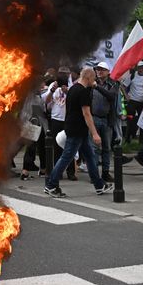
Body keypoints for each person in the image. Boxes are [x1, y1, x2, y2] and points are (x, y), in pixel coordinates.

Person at [44, 67, 113, 198]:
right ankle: (51, 185)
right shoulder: (83, 92)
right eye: (93, 78)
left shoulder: (73, 89)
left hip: (74, 127)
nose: (94, 81)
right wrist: (95, 133)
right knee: (66, 157)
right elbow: (86, 114)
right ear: (89, 77)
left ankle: (99, 185)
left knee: (90, 156)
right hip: (77, 130)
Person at [91, 63, 121, 182]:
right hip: (94, 118)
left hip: (107, 119)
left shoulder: (113, 84)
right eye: (98, 69)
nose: (100, 72)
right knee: (94, 148)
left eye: (102, 70)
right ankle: (94, 174)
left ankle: (105, 172)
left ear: (108, 72)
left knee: (106, 148)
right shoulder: (92, 83)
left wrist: (97, 87)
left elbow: (111, 96)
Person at [120, 62, 143, 144]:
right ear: (137, 68)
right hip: (132, 101)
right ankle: (128, 139)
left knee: (142, 121)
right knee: (130, 120)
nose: (141, 69)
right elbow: (123, 86)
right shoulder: (132, 76)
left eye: (142, 67)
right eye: (139, 67)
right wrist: (126, 96)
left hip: (142, 102)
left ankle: (142, 141)